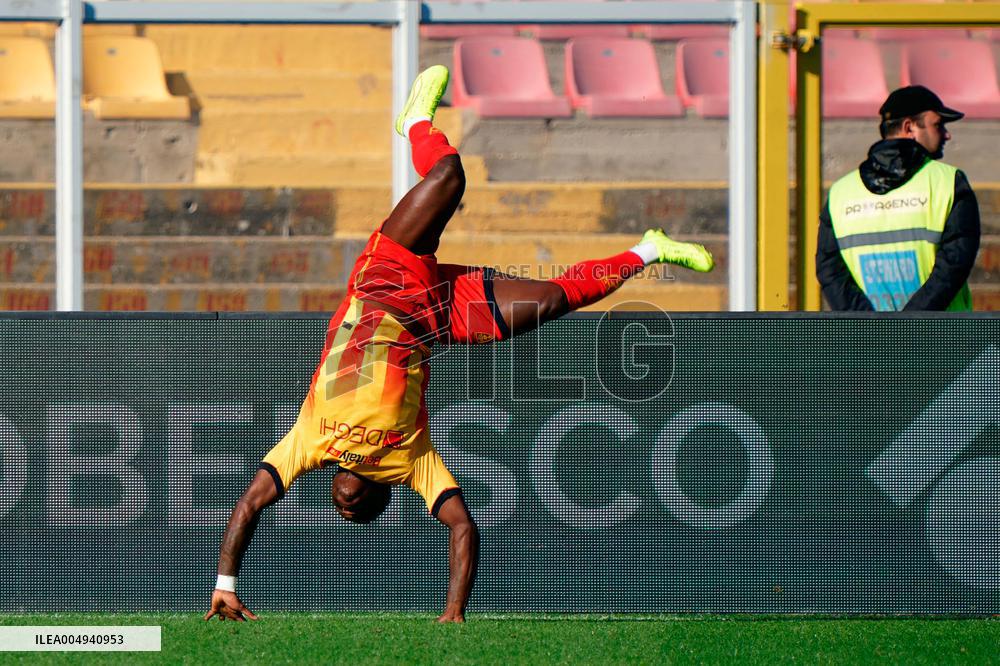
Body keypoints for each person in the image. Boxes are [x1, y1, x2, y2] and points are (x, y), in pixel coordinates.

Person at [203, 65, 715, 624]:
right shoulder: (410, 462)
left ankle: (415, 123)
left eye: (341, 510)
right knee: (552, 298)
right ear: (384, 497)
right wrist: (454, 612)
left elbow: (250, 504)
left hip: (383, 287)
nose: (346, 509)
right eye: (358, 515)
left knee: (448, 174)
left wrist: (226, 583)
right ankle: (649, 249)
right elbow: (462, 527)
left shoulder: (306, 443)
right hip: (439, 317)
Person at [816, 85, 980, 311]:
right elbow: (954, 263)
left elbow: (830, 272)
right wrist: (909, 323)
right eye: (938, 125)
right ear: (909, 127)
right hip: (941, 333)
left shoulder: (841, 193)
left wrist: (869, 325)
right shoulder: (949, 183)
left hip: (870, 334)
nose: (946, 134)